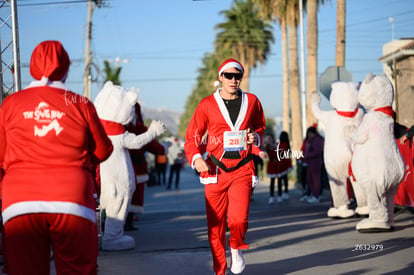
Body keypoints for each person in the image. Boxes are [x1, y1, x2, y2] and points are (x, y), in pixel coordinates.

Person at [0, 40, 113, 275]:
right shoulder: (80, 103)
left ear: (31, 66)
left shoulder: (10, 104)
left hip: (20, 200)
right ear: (66, 68)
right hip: (72, 199)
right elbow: (103, 150)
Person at [184, 58, 265, 275]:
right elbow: (193, 137)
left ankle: (236, 247)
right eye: (228, 75)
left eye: (237, 76)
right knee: (215, 226)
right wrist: (196, 158)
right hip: (215, 170)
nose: (233, 80)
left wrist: (255, 138)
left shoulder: (253, 101)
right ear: (220, 78)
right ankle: (219, 270)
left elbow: (260, 126)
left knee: (239, 219)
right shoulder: (207, 105)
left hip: (242, 168)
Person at [126, 103, 166, 230]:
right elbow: (152, 146)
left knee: (123, 194)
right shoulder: (140, 128)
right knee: (135, 195)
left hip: (123, 164)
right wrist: (163, 149)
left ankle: (119, 222)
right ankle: (129, 221)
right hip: (138, 166)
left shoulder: (120, 128)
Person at [303, 126, 324, 203]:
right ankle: (315, 194)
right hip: (310, 162)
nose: (309, 135)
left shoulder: (317, 140)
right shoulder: (310, 140)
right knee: (310, 179)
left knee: (316, 180)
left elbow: (317, 152)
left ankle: (317, 196)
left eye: (310, 133)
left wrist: (308, 155)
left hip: (315, 162)